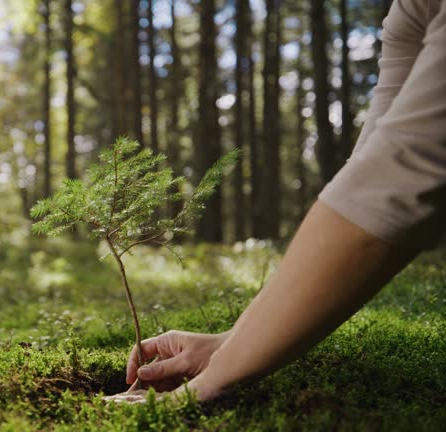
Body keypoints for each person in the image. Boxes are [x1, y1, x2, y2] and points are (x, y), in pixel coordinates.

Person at [106, 0, 446, 403]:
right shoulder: (412, 10)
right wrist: (230, 344)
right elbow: (372, 166)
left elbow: (404, 178)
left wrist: (212, 382)